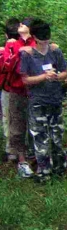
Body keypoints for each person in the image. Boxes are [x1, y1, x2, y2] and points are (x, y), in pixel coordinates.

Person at [20, 19, 67, 182]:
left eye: (47, 36)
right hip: (38, 101)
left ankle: (59, 168)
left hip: (55, 100)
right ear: (34, 36)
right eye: (42, 37)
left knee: (57, 136)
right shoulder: (27, 54)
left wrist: (57, 76)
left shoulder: (55, 51)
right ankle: (43, 171)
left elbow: (65, 72)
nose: (45, 40)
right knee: (40, 137)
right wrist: (43, 77)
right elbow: (25, 80)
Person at [3, 18, 37, 177]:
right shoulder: (12, 44)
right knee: (17, 125)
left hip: (36, 90)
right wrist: (19, 52)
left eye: (23, 25)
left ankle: (37, 157)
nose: (19, 27)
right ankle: (21, 161)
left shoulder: (36, 43)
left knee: (36, 124)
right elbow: (6, 66)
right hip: (17, 90)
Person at [1, 18, 20, 161]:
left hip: (8, 90)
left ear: (6, 35)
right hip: (24, 90)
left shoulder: (5, 51)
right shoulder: (27, 48)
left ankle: (11, 150)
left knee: (8, 118)